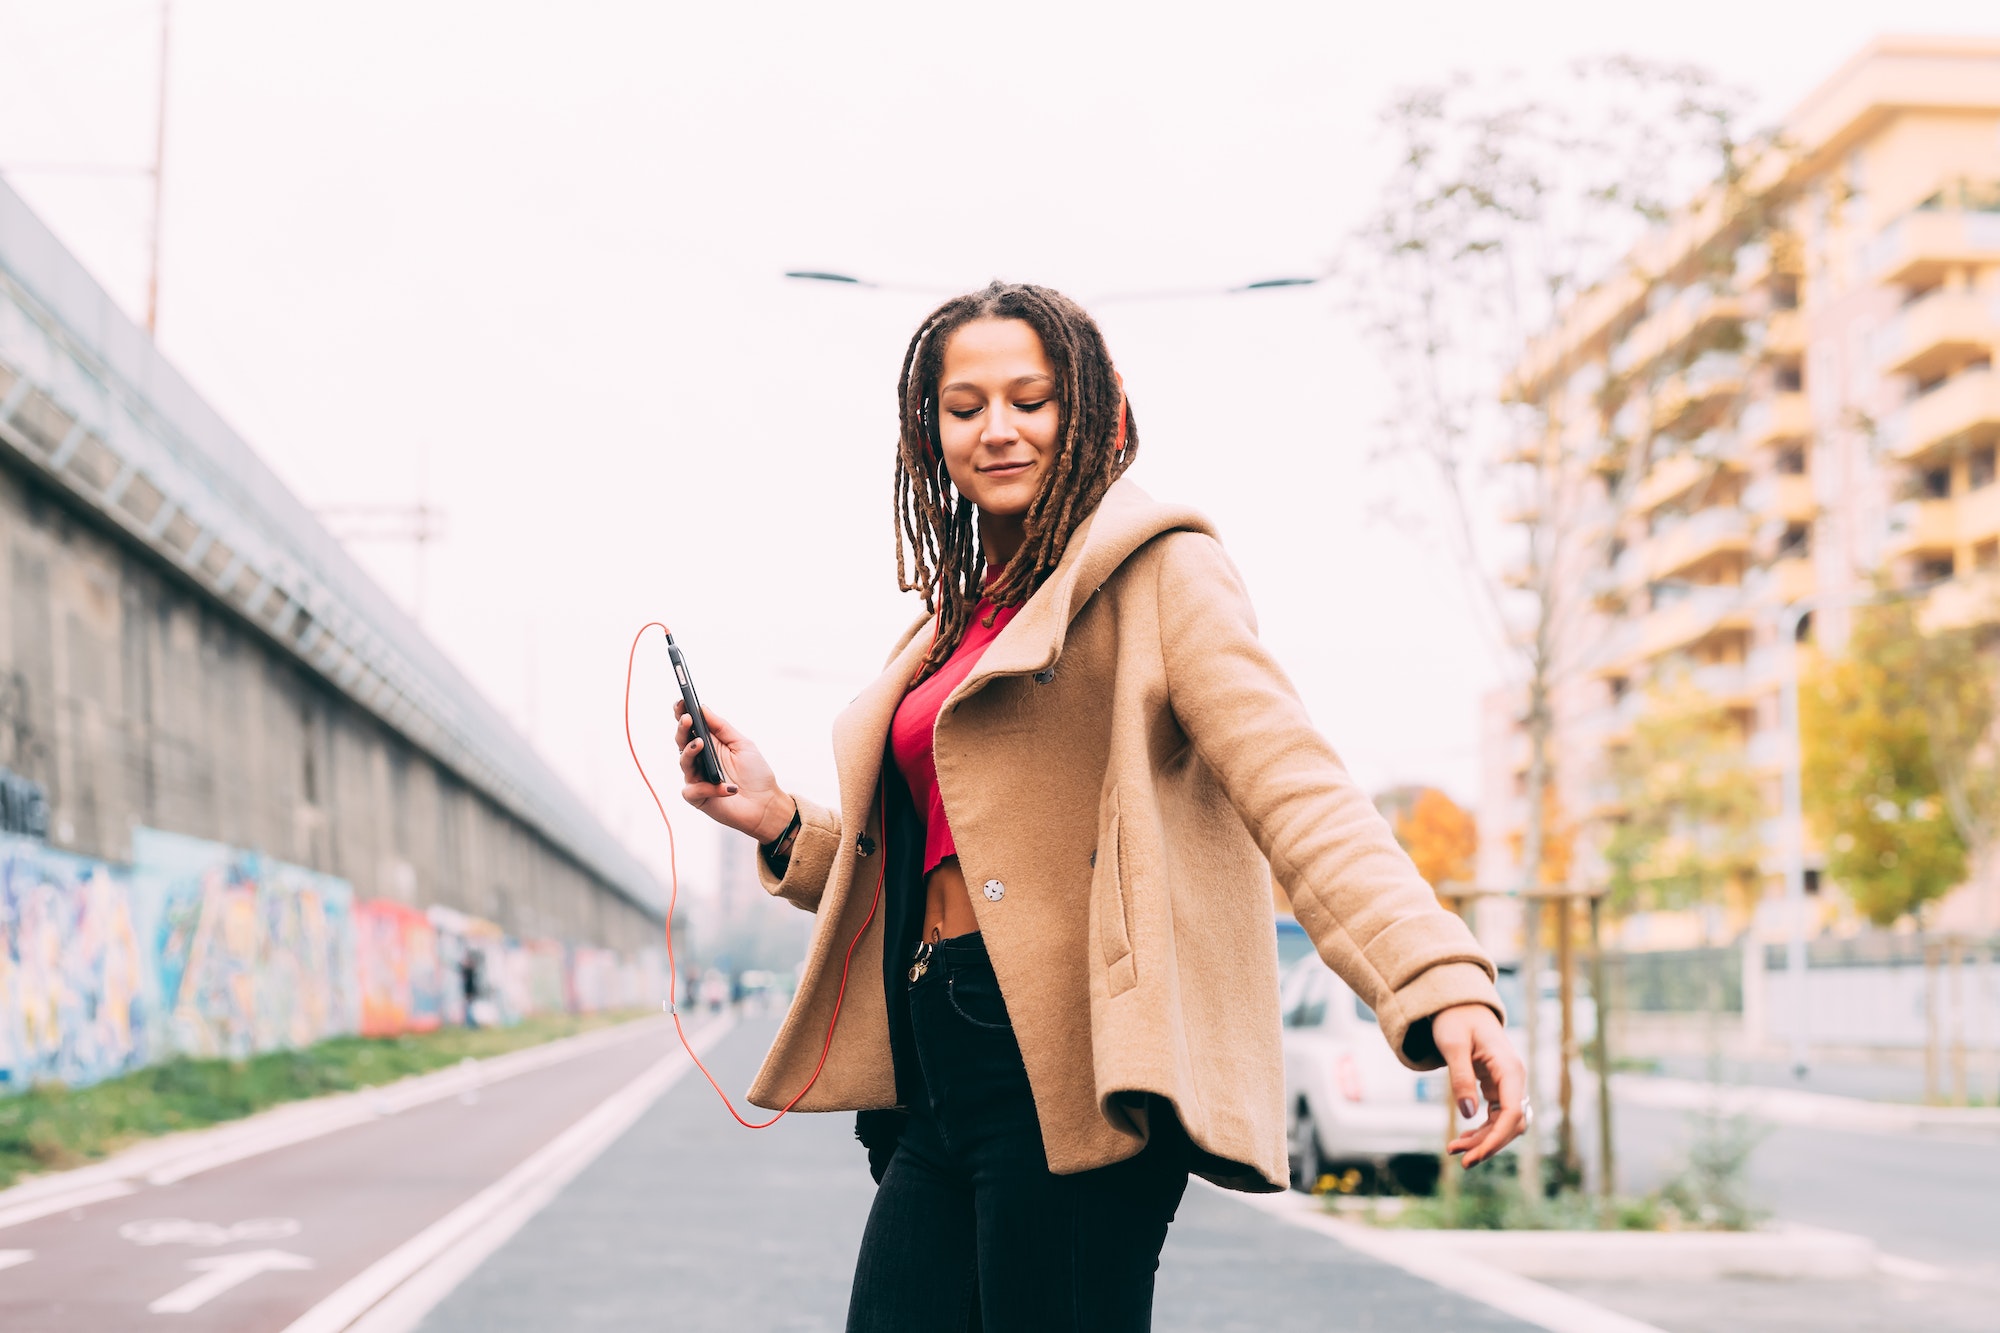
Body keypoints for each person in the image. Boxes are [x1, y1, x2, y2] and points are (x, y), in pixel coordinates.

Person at [673, 282, 1526, 1332]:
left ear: (1090, 409)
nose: (997, 430)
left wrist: (1437, 981)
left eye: (1029, 399)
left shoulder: (1159, 571)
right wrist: (774, 820)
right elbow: (917, 865)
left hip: (1069, 1060)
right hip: (936, 1053)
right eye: (964, 405)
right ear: (926, 429)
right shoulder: (950, 623)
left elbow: (1296, 785)